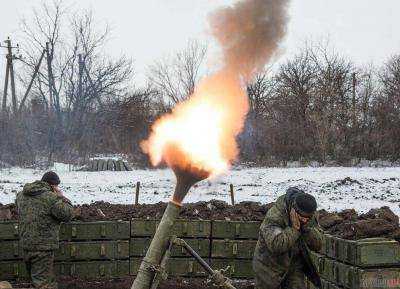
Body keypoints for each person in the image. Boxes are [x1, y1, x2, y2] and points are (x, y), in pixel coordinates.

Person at [253, 187, 323, 289]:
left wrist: (306, 229)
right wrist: (294, 230)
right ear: (293, 210)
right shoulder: (275, 216)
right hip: (268, 266)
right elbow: (276, 245)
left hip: (294, 264)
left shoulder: (309, 215)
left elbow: (318, 244)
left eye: (307, 218)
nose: (304, 220)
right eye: (301, 217)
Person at [16, 171, 75, 289]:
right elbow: (68, 214)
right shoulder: (51, 198)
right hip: (43, 248)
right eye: (56, 186)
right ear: (53, 185)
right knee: (43, 284)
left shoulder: (21, 195)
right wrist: (62, 197)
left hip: (26, 245)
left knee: (34, 281)